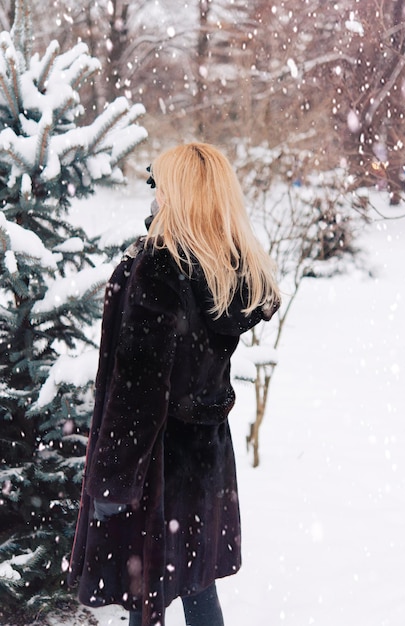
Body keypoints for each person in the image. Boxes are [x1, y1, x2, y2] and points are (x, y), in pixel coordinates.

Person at [68, 142, 280, 626]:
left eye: (159, 185)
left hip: (157, 469)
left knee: (151, 597)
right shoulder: (226, 270)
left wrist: (113, 480)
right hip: (205, 463)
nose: (153, 194)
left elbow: (137, 392)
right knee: (197, 586)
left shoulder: (158, 272)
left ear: (180, 194)